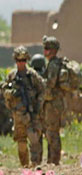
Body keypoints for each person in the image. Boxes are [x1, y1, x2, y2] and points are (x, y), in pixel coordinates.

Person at [2, 46, 45, 167]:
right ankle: (25, 166)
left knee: (34, 139)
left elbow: (42, 90)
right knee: (21, 142)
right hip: (18, 115)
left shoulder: (32, 75)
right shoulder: (12, 76)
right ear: (15, 61)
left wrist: (37, 106)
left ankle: (36, 164)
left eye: (24, 60)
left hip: (32, 113)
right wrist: (10, 93)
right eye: (19, 61)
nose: (21, 63)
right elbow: (4, 90)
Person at [42, 36, 77, 165]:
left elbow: (50, 84)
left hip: (53, 103)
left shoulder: (53, 65)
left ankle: (55, 161)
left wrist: (40, 83)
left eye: (46, 48)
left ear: (52, 50)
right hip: (55, 102)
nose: (44, 51)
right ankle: (51, 159)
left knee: (52, 132)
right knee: (51, 131)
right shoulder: (55, 63)